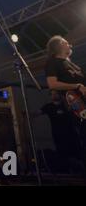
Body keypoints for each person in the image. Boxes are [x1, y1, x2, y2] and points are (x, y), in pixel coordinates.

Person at [44, 35, 86, 169]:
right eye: (66, 42)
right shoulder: (53, 62)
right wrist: (77, 86)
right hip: (76, 107)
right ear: (58, 46)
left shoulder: (71, 64)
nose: (70, 45)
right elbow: (52, 84)